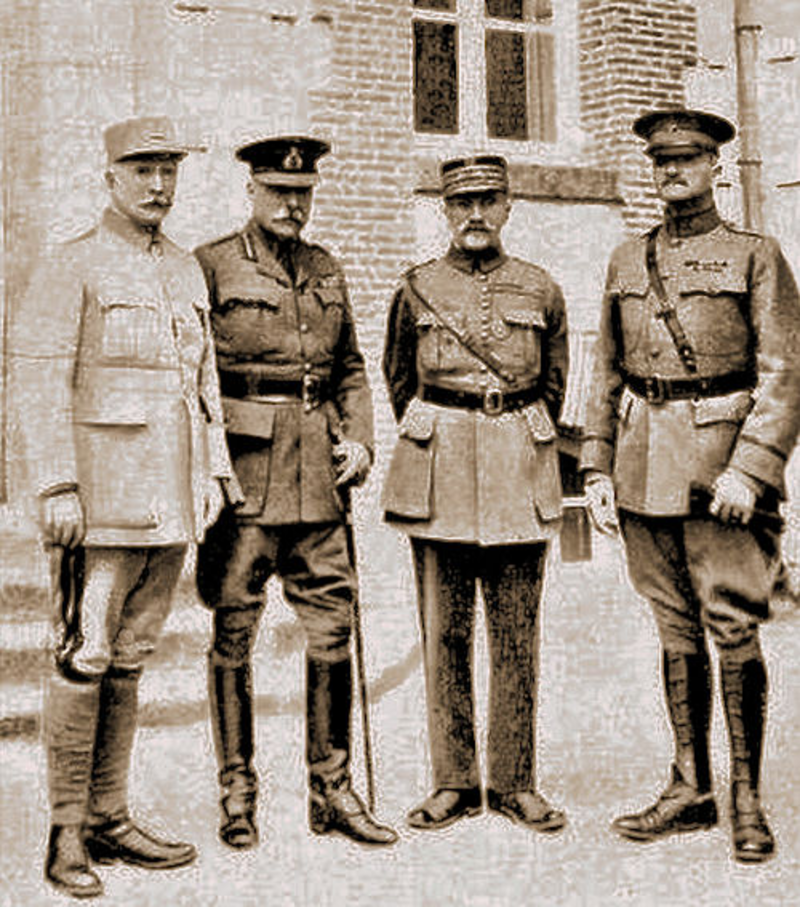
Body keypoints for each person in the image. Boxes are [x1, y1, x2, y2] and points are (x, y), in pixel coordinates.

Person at [12, 116, 238, 898]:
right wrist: (56, 485)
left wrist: (215, 472)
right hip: (100, 502)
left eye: (168, 170)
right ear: (110, 177)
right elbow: (38, 381)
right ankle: (65, 833)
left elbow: (202, 385)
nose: (158, 185)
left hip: (169, 500)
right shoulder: (71, 265)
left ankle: (109, 815)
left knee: (133, 653)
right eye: (143, 170)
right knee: (85, 653)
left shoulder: (184, 268)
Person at [581, 108, 800, 864]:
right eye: (662, 159)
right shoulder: (626, 259)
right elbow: (605, 369)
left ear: (716, 167)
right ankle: (690, 786)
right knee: (674, 628)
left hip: (719, 470)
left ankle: (746, 796)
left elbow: (784, 374)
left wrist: (751, 468)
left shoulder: (755, 256)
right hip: (643, 468)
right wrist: (596, 465)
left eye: (689, 157)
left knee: (732, 624)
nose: (673, 170)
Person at [195, 136, 397, 849]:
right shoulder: (212, 265)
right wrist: (207, 465)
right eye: (279, 192)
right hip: (245, 475)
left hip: (319, 475)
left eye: (303, 193)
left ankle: (332, 790)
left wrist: (361, 439)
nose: (292, 205)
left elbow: (350, 367)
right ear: (252, 190)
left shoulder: (325, 267)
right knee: (234, 631)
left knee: (333, 629)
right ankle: (237, 792)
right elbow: (193, 374)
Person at [383, 154, 568, 833]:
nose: (476, 215)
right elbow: (398, 378)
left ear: (509, 206)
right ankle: (454, 781)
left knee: (517, 634)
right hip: (441, 472)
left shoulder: (541, 287)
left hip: (517, 466)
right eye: (463, 203)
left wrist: (509, 433)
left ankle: (515, 782)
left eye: (489, 200)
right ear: (445, 210)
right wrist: (448, 434)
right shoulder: (416, 288)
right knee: (444, 632)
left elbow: (554, 383)